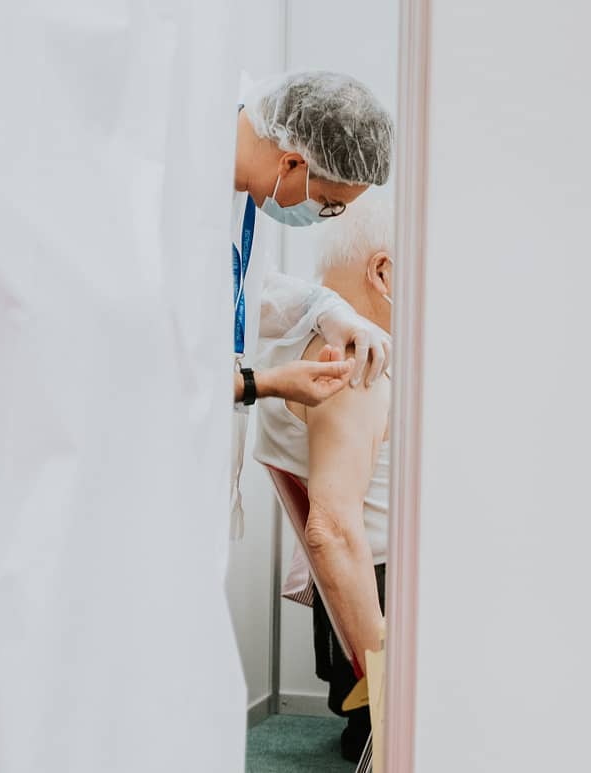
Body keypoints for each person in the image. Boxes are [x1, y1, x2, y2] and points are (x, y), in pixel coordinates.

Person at [254, 197, 393, 761]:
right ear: (383, 271)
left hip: (345, 622)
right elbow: (330, 531)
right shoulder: (358, 361)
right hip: (378, 605)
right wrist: (392, 691)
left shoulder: (303, 338)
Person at [229, 71, 394, 535]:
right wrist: (266, 383)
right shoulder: (179, 189)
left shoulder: (246, 194)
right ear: (293, 165)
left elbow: (244, 295)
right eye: (327, 202)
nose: (324, 216)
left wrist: (329, 309)